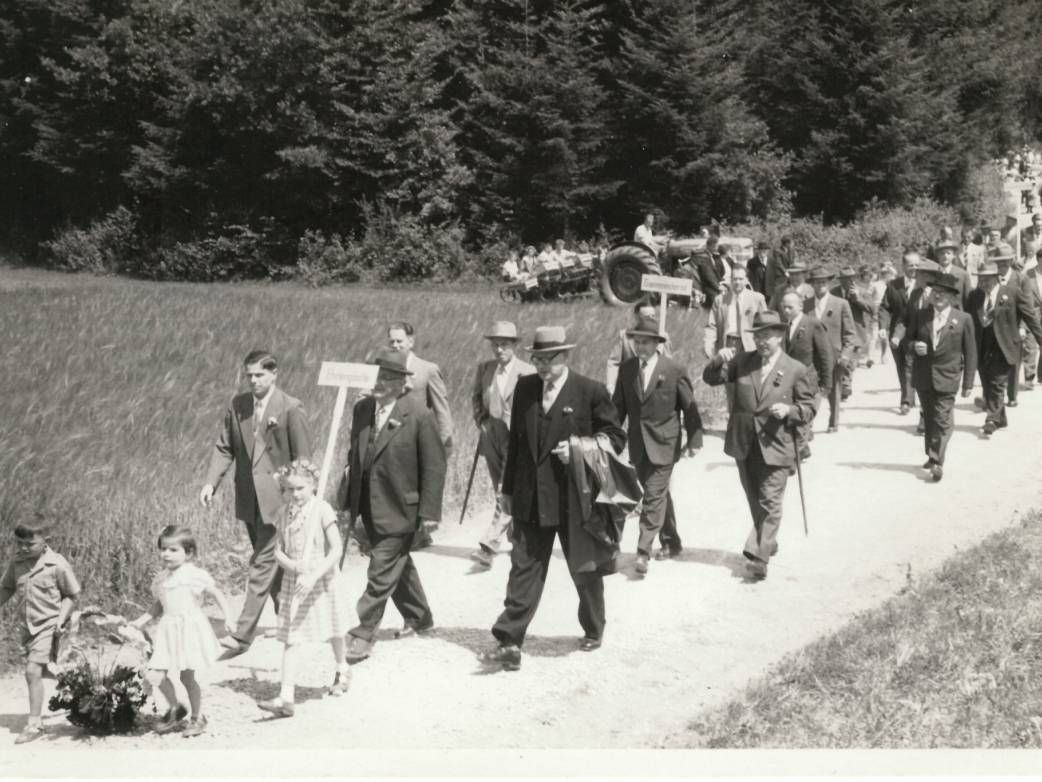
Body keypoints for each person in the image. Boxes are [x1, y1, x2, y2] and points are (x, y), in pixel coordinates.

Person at [484, 326, 626, 671]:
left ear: (566, 356)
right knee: (524, 567)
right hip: (531, 497)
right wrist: (506, 492)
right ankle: (509, 640)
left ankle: (594, 626)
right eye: (538, 359)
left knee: (584, 568)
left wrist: (580, 447)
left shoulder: (590, 391)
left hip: (575, 498)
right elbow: (516, 445)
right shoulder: (526, 388)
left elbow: (615, 437)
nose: (543, 366)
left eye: (550, 359)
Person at [200, 349, 312, 656]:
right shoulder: (239, 406)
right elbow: (224, 447)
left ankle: (242, 635)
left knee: (261, 564)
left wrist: (298, 496)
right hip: (249, 498)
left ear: (274, 374)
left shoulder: (290, 408)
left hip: (280, 502)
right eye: (249, 375)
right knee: (272, 562)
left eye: (259, 375)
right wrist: (211, 482)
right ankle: (290, 618)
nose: (253, 381)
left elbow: (303, 459)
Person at [342, 348, 446, 662]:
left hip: (402, 507)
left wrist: (429, 512)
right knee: (397, 564)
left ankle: (363, 632)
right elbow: (354, 457)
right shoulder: (362, 410)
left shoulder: (418, 413)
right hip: (368, 506)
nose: (379, 383)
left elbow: (434, 465)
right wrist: (348, 502)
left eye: (387, 377)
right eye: (376, 375)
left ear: (402, 382)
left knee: (380, 570)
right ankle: (420, 616)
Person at [702, 311, 817, 581]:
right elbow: (711, 378)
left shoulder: (795, 369)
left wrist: (790, 410)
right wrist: (718, 358)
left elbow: (809, 407)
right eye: (759, 335)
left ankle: (760, 557)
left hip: (777, 443)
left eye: (768, 335)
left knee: (770, 501)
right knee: (755, 499)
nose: (763, 341)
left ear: (780, 336)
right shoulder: (742, 361)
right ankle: (768, 540)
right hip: (744, 443)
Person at [257, 460, 351, 718]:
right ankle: (286, 697)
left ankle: (342, 668)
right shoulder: (284, 512)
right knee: (291, 637)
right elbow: (278, 551)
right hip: (294, 581)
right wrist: (295, 567)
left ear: (313, 486)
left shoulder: (322, 510)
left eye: (300, 488)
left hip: (321, 579)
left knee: (333, 628)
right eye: (289, 489)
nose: (295, 494)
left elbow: (336, 550)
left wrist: (312, 574)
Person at [612, 316, 703, 575]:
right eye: (637, 342)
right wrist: (607, 434)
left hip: (665, 443)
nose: (640, 347)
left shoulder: (674, 370)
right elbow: (618, 407)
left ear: (657, 343)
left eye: (645, 342)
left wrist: (694, 439)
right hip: (638, 445)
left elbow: (690, 408)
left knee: (652, 495)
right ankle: (672, 541)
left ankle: (643, 551)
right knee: (658, 494)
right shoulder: (627, 369)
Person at [127, 526, 232, 738]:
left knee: (187, 676)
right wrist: (141, 621)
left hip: (189, 629)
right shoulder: (161, 578)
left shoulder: (193, 575)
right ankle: (176, 707)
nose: (166, 554)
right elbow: (159, 605)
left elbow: (216, 594)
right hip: (168, 629)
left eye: (173, 550)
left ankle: (197, 716)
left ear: (189, 553)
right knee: (155, 673)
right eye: (164, 549)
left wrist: (228, 616)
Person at [0, 516, 81, 744]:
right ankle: (80, 687)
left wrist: (61, 619)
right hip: (28, 628)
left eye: (30, 544)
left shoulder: (57, 565)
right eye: (19, 543)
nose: (24, 548)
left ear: (46, 541)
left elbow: (72, 595)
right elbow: (6, 588)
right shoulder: (17, 564)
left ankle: (34, 723)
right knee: (44, 670)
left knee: (32, 671)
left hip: (49, 625)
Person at [469, 321, 536, 568]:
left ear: (514, 345)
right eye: (495, 345)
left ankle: (490, 543)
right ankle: (515, 535)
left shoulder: (527, 372)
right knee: (501, 486)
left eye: (504, 345)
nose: (499, 350)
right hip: (491, 434)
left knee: (503, 489)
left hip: (516, 437)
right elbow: (476, 397)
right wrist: (482, 422)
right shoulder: (485, 369)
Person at [387, 321, 453, 549]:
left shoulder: (427, 369)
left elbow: (441, 409)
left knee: (415, 486)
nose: (395, 345)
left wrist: (444, 442)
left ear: (411, 342)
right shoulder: (382, 367)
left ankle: (418, 533)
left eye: (399, 341)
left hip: (418, 438)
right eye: (391, 341)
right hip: (391, 438)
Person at [908, 273, 977, 482]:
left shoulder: (963, 319)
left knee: (941, 419)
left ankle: (937, 461)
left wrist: (968, 383)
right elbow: (907, 341)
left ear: (952, 297)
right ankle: (932, 453)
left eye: (943, 293)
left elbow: (971, 352)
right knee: (929, 418)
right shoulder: (920, 315)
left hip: (948, 376)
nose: (938, 296)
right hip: (924, 376)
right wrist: (913, 346)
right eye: (935, 292)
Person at [967, 263, 1042, 437]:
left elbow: (1030, 317)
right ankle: (1001, 418)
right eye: (981, 279)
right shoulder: (974, 296)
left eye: (987, 279)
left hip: (1005, 346)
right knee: (987, 382)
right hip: (982, 347)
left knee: (997, 383)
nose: (984, 283)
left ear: (996, 278)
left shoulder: (1012, 293)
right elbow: (968, 321)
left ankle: (991, 419)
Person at [780, 291, 833, 459]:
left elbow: (825, 355)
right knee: (794, 414)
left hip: (808, 379)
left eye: (790, 307)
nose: (786, 310)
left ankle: (798, 451)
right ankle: (802, 448)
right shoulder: (784, 326)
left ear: (801, 306)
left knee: (804, 414)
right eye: (784, 307)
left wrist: (826, 382)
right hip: (789, 379)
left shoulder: (812, 324)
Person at [805, 267, 857, 433]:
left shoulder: (841, 303)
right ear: (812, 284)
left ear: (828, 283)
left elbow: (850, 332)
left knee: (834, 389)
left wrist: (846, 354)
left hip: (834, 355)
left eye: (824, 281)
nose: (821, 284)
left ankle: (833, 422)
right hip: (812, 355)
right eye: (817, 282)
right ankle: (809, 423)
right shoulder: (805, 305)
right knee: (811, 389)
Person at [605, 300, 673, 393]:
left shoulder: (662, 336)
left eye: (653, 316)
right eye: (646, 317)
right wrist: (611, 385)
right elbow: (614, 362)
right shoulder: (625, 336)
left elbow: (668, 362)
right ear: (636, 317)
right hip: (629, 389)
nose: (651, 319)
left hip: (653, 390)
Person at [703, 266, 768, 360]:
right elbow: (711, 326)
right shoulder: (720, 300)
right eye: (735, 279)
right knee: (726, 373)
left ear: (746, 280)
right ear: (730, 280)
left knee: (746, 374)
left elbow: (765, 325)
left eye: (741, 279)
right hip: (726, 344)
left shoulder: (757, 299)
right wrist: (708, 345)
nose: (737, 282)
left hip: (749, 345)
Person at [690, 235, 729, 309]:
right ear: (710, 246)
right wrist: (718, 287)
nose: (717, 248)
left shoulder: (713, 256)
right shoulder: (703, 256)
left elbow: (716, 274)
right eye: (716, 246)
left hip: (714, 286)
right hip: (706, 288)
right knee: (718, 302)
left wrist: (723, 283)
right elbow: (708, 275)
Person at [935, 239, 972, 308]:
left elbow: (968, 300)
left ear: (954, 255)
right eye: (942, 253)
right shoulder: (932, 273)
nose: (945, 256)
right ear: (938, 256)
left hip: (957, 314)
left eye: (948, 253)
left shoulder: (963, 274)